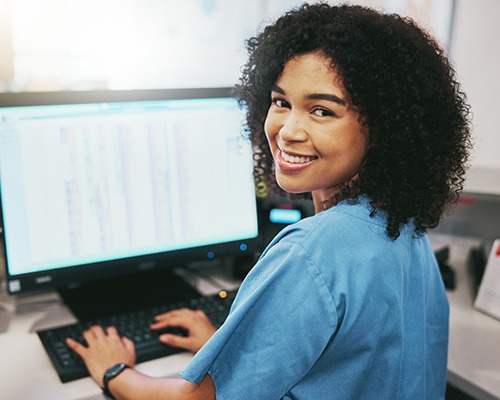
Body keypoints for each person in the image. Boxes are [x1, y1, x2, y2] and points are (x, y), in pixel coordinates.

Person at [66, 3, 472, 399]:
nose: (287, 131)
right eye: (281, 102)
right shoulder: (404, 228)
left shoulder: (309, 254)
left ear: (386, 128)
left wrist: (113, 371)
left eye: (321, 111)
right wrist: (230, 346)